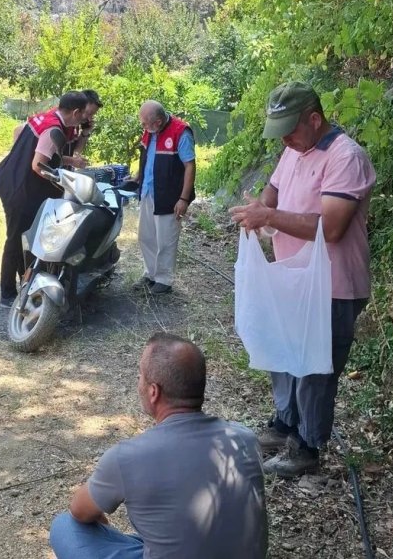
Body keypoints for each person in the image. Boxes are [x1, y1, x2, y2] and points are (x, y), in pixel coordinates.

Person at [230, 82, 376, 477]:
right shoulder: (294, 150)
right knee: (285, 355)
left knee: (315, 368)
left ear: (315, 119)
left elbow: (332, 228)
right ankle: (283, 425)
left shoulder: (345, 157)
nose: (286, 141)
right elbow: (272, 192)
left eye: (290, 131)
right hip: (293, 280)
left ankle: (307, 447)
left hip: (333, 285)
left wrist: (269, 218)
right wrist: (259, 208)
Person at [49, 333, 268, 559]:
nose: (138, 382)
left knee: (64, 526)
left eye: (140, 376)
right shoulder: (245, 438)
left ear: (154, 392)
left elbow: (80, 511)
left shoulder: (126, 458)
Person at [0, 90, 94, 308]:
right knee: (15, 241)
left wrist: (69, 162)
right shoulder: (53, 129)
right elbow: (38, 165)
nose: (86, 118)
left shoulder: (48, 119)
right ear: (75, 112)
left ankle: (25, 283)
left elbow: (34, 145)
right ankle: (7, 295)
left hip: (18, 183)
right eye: (84, 113)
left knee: (25, 239)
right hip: (19, 189)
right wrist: (62, 178)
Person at [130, 100, 196, 295]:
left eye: (145, 123)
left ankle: (163, 280)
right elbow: (147, 157)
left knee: (165, 240)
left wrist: (183, 199)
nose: (143, 127)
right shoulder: (150, 130)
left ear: (158, 121)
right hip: (149, 191)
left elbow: (190, 166)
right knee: (146, 236)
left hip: (169, 196)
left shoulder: (180, 132)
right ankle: (150, 273)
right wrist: (137, 177)